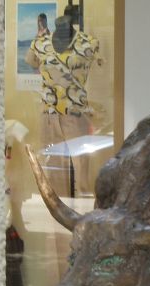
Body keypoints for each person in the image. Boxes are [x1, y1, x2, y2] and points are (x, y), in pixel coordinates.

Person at [25, 6, 100, 197]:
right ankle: (57, 211)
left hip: (76, 113)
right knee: (53, 166)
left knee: (82, 169)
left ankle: (84, 210)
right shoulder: (40, 44)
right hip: (48, 115)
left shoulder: (89, 43)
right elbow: (31, 61)